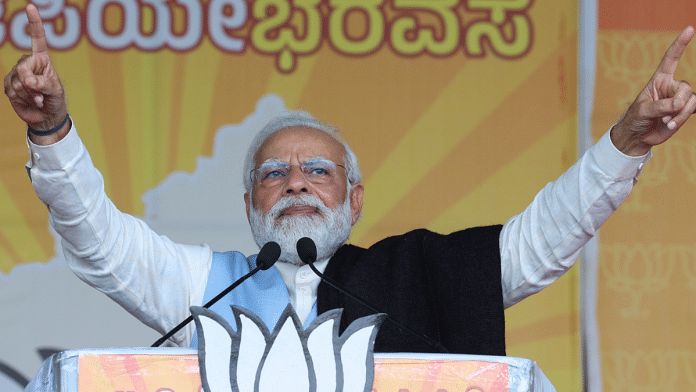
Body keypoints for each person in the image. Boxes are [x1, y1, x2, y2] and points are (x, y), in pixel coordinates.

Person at [5, 4, 696, 354]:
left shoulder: (420, 277)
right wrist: (52, 131)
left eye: (318, 171)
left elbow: (541, 240)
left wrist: (626, 143)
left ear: (354, 198)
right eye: (274, 173)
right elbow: (97, 241)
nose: (296, 182)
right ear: (249, 203)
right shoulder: (203, 285)